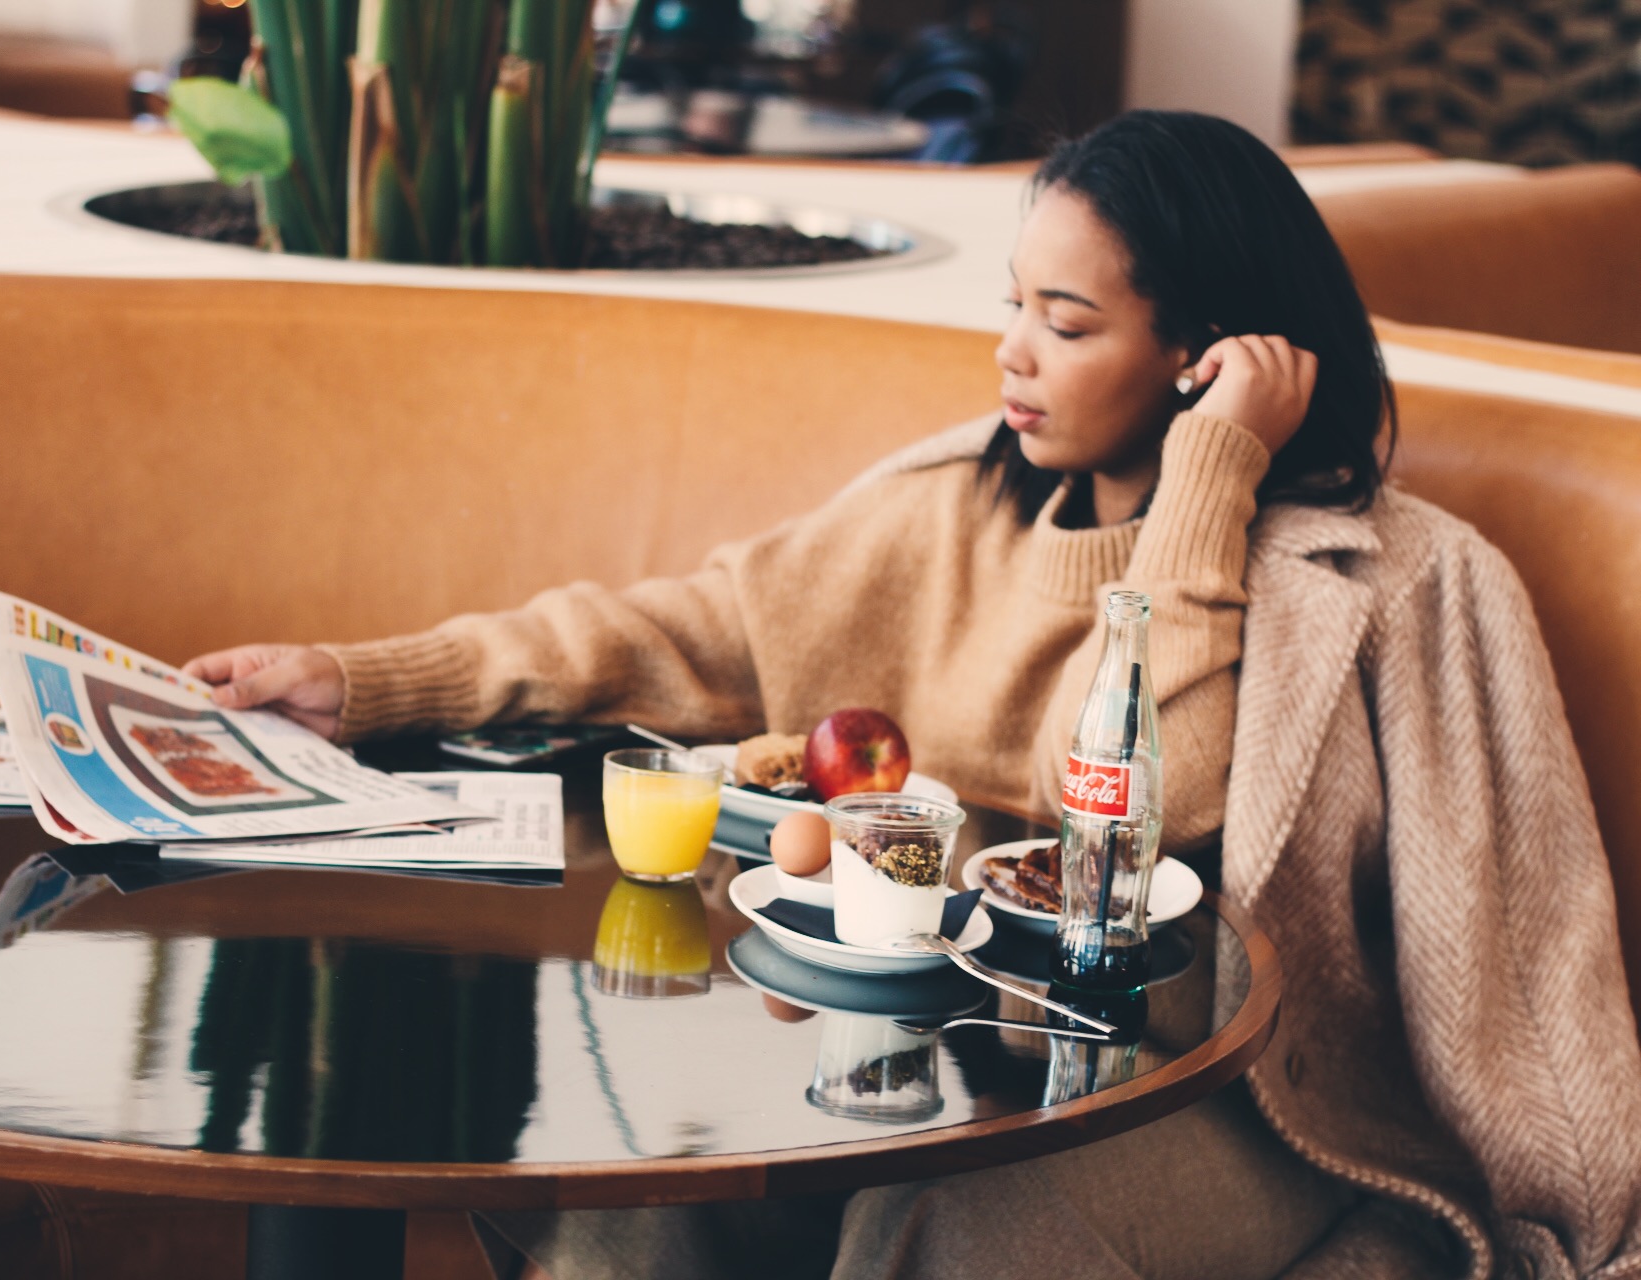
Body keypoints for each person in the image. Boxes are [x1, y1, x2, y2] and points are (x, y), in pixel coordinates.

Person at [186, 111, 1641, 1279]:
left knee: (950, 1221)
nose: (1013, 352)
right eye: (1016, 306)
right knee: (641, 1188)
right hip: (901, 1059)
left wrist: (1209, 479)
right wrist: (364, 679)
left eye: (1068, 325)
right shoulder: (954, 505)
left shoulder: (1408, 586)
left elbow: (1153, 811)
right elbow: (690, 627)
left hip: (1238, 1105)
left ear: (1206, 358)